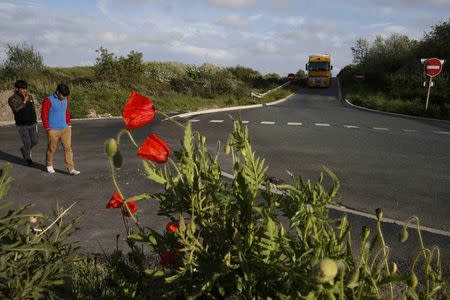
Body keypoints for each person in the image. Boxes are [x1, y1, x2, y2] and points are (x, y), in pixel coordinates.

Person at [41, 83, 80, 175]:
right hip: (53, 129)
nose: (64, 97)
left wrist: (69, 123)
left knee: (68, 148)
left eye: (65, 96)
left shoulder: (65, 99)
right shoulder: (48, 100)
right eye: (63, 95)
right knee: (51, 148)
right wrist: (47, 128)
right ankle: (49, 164)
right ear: (58, 92)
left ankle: (71, 169)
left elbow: (66, 111)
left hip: (65, 128)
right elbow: (44, 115)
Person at [8, 80, 38, 166]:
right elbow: (16, 110)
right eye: (22, 89)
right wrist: (24, 102)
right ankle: (28, 158)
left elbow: (32, 109)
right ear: (17, 89)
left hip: (32, 123)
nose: (24, 90)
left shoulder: (30, 96)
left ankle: (24, 150)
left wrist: (35, 119)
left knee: (35, 141)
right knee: (27, 142)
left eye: (25, 88)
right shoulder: (12, 99)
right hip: (22, 125)